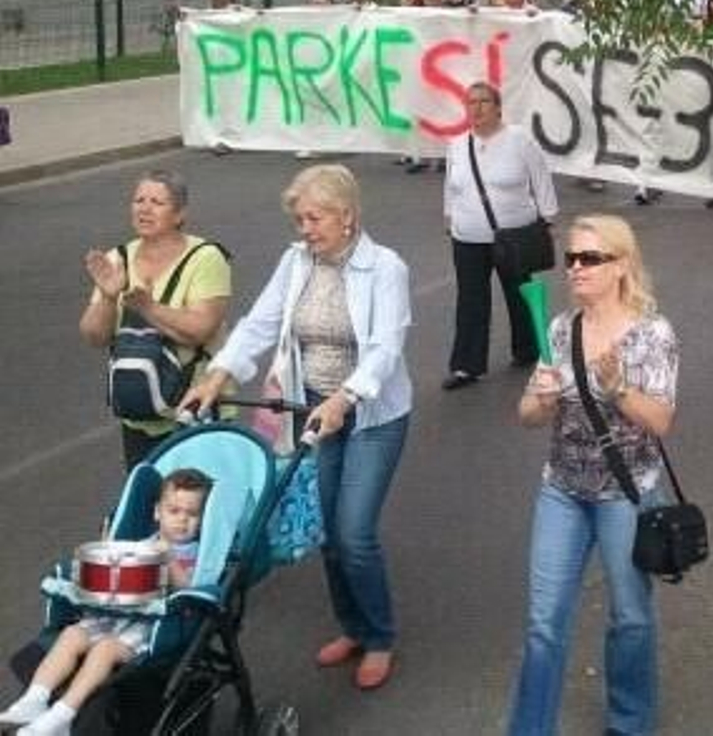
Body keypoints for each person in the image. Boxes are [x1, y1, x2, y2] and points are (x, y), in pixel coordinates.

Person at [181, 165, 412, 691]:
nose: (304, 229)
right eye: (299, 218)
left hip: (373, 415)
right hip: (313, 412)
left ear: (347, 217)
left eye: (314, 217)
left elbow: (385, 348)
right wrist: (219, 374)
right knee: (328, 530)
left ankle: (379, 636)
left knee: (354, 533)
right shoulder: (296, 262)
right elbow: (260, 322)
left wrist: (346, 396)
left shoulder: (385, 269)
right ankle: (352, 627)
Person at [508, 215, 679, 736]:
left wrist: (618, 387)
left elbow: (661, 421)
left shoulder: (653, 333)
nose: (576, 268)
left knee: (629, 618)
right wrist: (538, 395)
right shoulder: (561, 329)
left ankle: (629, 722)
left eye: (590, 259)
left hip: (625, 496)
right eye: (572, 259)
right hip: (561, 490)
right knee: (543, 624)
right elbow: (529, 416)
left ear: (621, 265)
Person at [0, 469, 212, 736]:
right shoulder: (142, 543)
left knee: (105, 649)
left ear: (203, 521)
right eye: (174, 511)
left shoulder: (196, 554)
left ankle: (62, 715)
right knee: (72, 634)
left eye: (191, 514)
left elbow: (190, 590)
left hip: (152, 628)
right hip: (114, 614)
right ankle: (34, 700)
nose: (182, 520)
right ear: (158, 512)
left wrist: (169, 560)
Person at [80, 170, 232, 469]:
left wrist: (149, 307)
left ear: (179, 214)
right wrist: (109, 298)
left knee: (192, 510)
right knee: (148, 506)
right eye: (139, 200)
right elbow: (93, 336)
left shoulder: (206, 257)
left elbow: (202, 330)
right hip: (139, 413)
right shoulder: (118, 257)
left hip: (196, 410)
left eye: (157, 202)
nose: (144, 208)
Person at [441, 82, 560, 389]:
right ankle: (467, 366)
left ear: (497, 107)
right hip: (467, 237)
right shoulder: (456, 145)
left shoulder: (519, 140)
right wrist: (450, 216)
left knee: (518, 294)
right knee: (470, 300)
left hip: (514, 235)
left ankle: (527, 349)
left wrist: (548, 218)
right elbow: (452, 187)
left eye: (483, 101)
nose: (476, 108)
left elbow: (540, 178)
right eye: (470, 102)